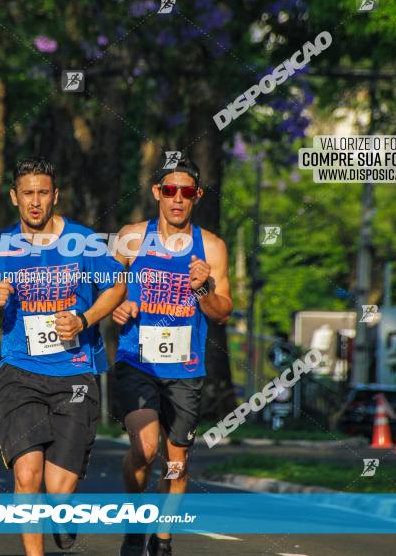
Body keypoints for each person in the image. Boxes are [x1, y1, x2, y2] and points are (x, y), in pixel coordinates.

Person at [0, 158, 126, 556]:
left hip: (74, 374)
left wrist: (85, 318)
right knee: (26, 474)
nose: (35, 202)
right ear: (14, 196)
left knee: (57, 489)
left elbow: (117, 286)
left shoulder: (83, 242)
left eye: (43, 193)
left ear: (56, 195)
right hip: (20, 373)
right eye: (27, 194)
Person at [112, 160, 233, 556]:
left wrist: (202, 289)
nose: (177, 199)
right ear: (156, 193)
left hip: (185, 367)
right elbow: (106, 291)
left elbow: (223, 311)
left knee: (176, 460)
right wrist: (118, 307)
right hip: (137, 360)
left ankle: (162, 538)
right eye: (170, 191)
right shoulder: (130, 238)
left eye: (186, 192)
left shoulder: (211, 247)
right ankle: (134, 521)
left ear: (196, 196)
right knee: (144, 450)